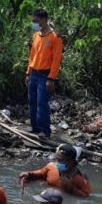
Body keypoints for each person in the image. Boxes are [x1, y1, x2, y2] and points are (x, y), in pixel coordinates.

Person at [25, 9, 63, 138]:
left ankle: (45, 131)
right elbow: (32, 55)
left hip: (45, 75)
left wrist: (51, 78)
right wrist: (28, 73)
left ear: (44, 20)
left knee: (42, 103)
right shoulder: (36, 35)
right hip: (33, 73)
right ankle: (35, 128)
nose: (34, 23)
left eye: (35, 21)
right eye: (33, 21)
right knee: (32, 102)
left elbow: (56, 60)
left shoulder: (55, 37)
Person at [19, 144, 91, 197]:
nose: (57, 162)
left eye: (61, 160)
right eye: (57, 159)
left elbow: (86, 196)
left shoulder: (80, 179)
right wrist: (28, 173)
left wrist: (70, 187)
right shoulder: (51, 167)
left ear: (71, 162)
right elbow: (40, 173)